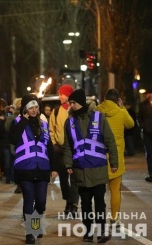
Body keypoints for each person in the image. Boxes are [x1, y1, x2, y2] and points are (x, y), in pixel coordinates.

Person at [62, 89, 118, 243]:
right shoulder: (69, 122)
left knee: (99, 202)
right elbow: (67, 146)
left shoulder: (99, 118)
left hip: (98, 168)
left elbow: (110, 141)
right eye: (70, 103)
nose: (71, 105)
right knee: (85, 204)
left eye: (73, 102)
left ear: (81, 101)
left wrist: (114, 162)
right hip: (80, 169)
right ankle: (88, 233)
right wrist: (68, 163)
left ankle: (101, 232)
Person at [9, 94, 57, 244]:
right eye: (31, 107)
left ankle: (35, 224)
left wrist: (54, 167)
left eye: (36, 107)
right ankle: (31, 231)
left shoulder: (43, 123)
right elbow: (13, 139)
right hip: (25, 167)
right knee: (29, 199)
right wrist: (24, 120)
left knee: (41, 201)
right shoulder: (17, 122)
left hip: (42, 167)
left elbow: (49, 146)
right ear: (25, 109)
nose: (34, 110)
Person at [96, 89, 134, 227]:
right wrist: (122, 107)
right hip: (115, 157)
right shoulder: (121, 112)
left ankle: (99, 218)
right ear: (117, 99)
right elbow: (131, 124)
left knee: (98, 191)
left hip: (98, 156)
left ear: (105, 98)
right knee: (115, 190)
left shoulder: (97, 111)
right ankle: (114, 218)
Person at [49, 84, 79, 216]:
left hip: (74, 149)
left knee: (74, 178)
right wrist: (54, 144)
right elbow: (51, 130)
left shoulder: (75, 111)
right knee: (63, 179)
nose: (60, 96)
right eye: (59, 93)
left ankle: (73, 204)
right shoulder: (56, 111)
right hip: (60, 150)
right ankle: (68, 201)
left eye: (63, 94)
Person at [138, 89, 152, 182]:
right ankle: (151, 173)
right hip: (147, 131)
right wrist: (142, 125)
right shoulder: (143, 105)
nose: (148, 96)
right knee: (149, 153)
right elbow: (139, 117)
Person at [5, 98, 23, 193]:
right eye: (18, 104)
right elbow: (7, 128)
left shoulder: (26, 115)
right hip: (15, 144)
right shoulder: (12, 117)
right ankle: (18, 184)